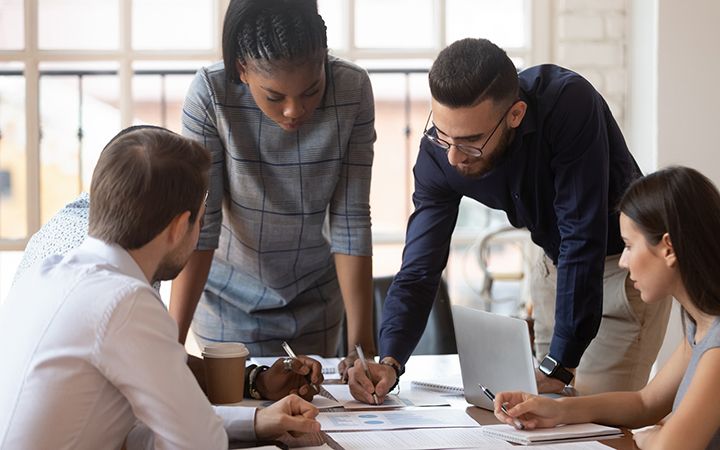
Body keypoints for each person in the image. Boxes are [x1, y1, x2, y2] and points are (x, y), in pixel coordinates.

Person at [348, 37, 671, 403]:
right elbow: (419, 268)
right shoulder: (439, 153)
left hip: (624, 273)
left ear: (515, 115)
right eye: (443, 133)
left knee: (597, 422)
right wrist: (390, 360)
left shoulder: (568, 104)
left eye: (471, 141)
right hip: (554, 269)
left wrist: (559, 365)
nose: (454, 157)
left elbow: (582, 234)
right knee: (544, 420)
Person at [0, 126, 320, 449]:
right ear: (180, 226)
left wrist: (256, 423)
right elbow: (201, 443)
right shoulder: (125, 301)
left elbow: (132, 430)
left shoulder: (45, 276)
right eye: (200, 220)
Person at [174, 0, 376, 369]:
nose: (294, 110)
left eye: (311, 91)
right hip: (228, 301)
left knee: (314, 419)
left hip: (316, 298)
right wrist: (170, 345)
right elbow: (202, 226)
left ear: (324, 59)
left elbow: (351, 219)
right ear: (242, 69)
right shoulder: (210, 94)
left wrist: (362, 351)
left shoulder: (352, 89)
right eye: (275, 96)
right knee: (241, 414)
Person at [11, 187, 324, 403]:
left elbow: (153, 359)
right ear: (177, 225)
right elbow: (189, 429)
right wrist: (258, 424)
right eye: (200, 222)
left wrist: (255, 381)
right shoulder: (116, 286)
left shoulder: (83, 238)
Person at [494, 166, 720, 450]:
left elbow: (671, 447)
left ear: (668, 248)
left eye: (628, 245)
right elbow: (645, 403)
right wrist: (558, 410)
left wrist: (653, 436)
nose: (623, 262)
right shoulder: (699, 322)